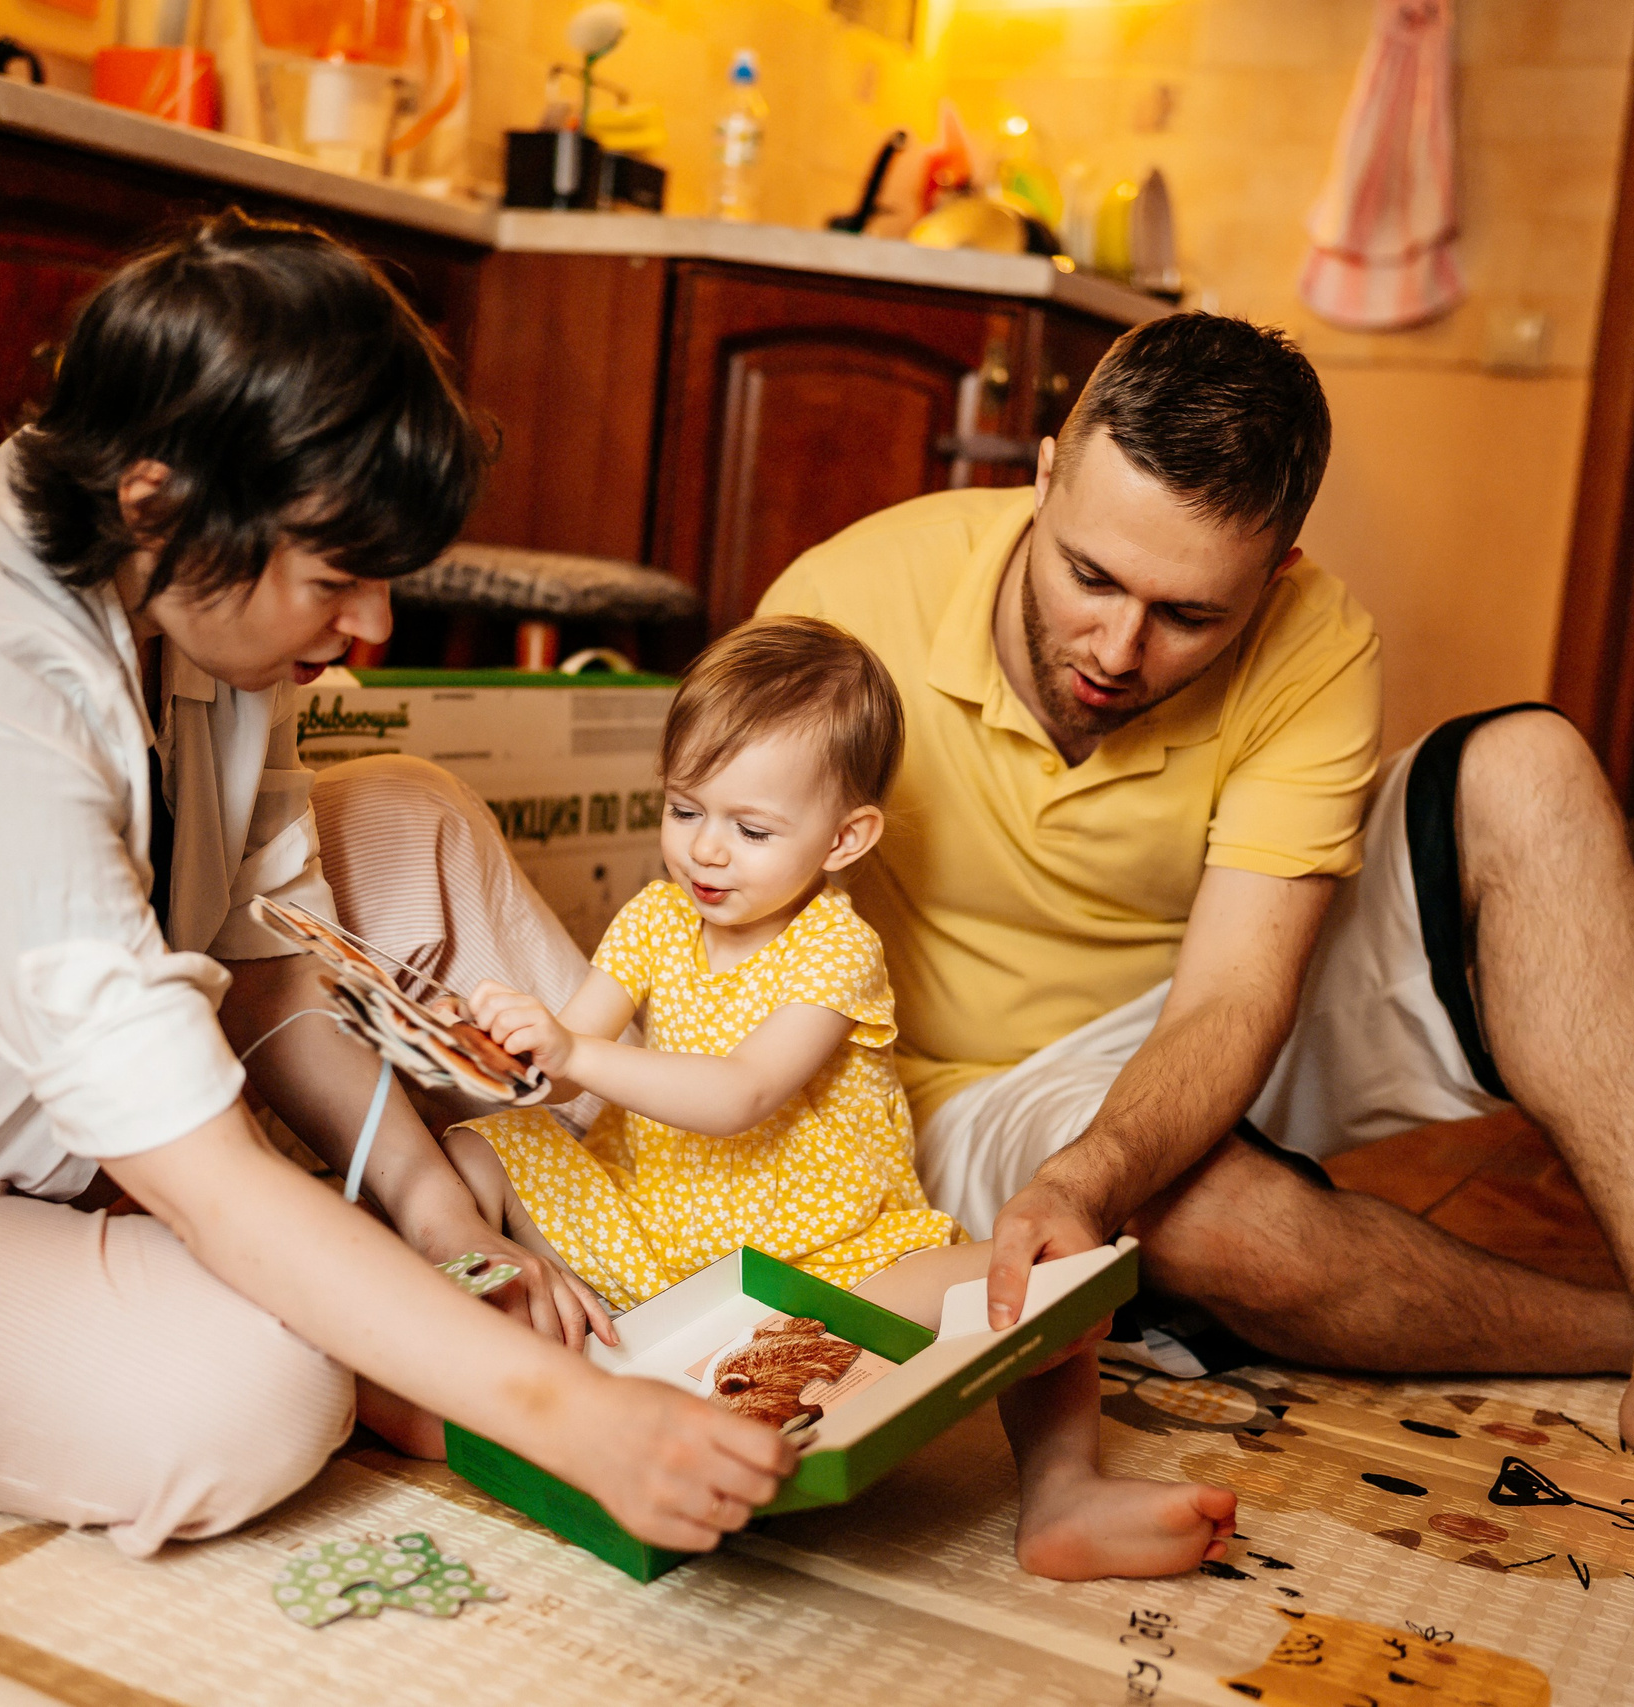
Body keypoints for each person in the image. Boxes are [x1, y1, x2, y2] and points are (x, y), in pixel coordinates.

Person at [0, 212, 789, 1562]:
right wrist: (571, 1417)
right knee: (249, 1387)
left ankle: (617, 1196)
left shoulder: (184, 604)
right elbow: (198, 1172)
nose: (373, 627)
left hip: (49, 1134)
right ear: (155, 500)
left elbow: (266, 969)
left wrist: (440, 1219)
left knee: (407, 809)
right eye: (338, 577)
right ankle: (399, 1330)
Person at [758, 312, 1634, 1592]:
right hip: (963, 1083)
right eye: (1090, 578)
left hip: (1208, 999)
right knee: (1220, 1220)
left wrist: (1099, 1167)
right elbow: (723, 933)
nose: (1118, 651)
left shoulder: (1316, 637)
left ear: (1276, 568)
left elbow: (1234, 994)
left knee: (1529, 767)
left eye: (1188, 613)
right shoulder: (845, 603)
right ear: (1044, 473)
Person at [449, 616, 1240, 1579]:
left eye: (750, 830)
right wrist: (516, 1047)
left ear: (845, 837)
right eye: (685, 809)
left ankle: (1064, 1490)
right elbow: (568, 1067)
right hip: (648, 1244)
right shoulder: (655, 917)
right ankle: (494, 1356)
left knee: (1044, 1280)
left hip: (831, 1266)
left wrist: (575, 1048)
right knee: (473, 1146)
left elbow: (742, 1093)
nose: (706, 851)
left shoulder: (835, 946)